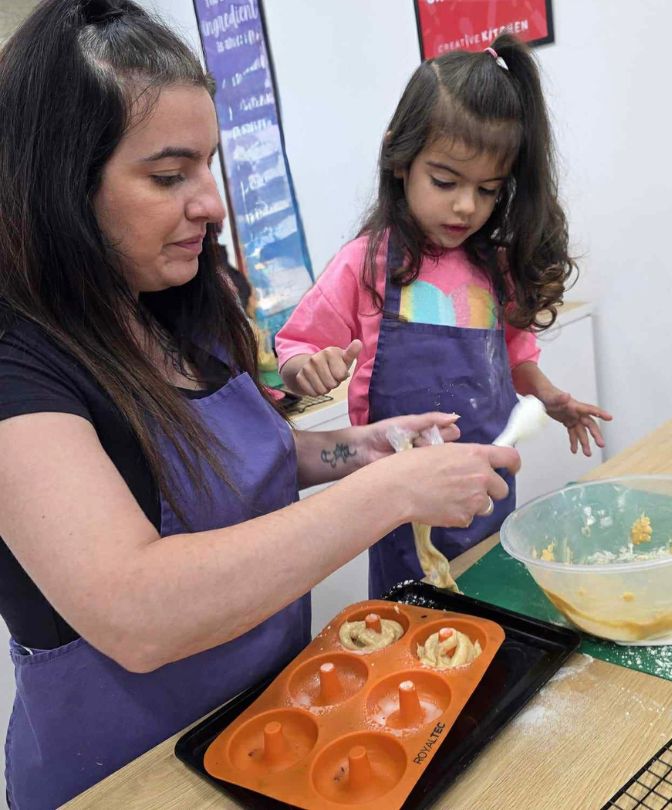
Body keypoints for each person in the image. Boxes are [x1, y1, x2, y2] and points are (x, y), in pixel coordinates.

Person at [0, 2, 519, 806]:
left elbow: (233, 459)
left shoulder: (178, 299)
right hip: (125, 777)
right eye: (170, 176)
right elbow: (136, 612)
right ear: (59, 183)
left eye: (209, 166)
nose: (210, 204)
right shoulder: (18, 362)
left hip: (266, 725)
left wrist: (361, 450)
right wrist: (390, 496)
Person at [276, 34, 612, 598]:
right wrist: (304, 368)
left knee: (493, 605)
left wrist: (551, 397)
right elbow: (295, 348)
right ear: (400, 159)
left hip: (487, 490)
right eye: (445, 181)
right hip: (398, 505)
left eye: (487, 190)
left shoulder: (495, 268)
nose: (465, 206)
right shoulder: (367, 262)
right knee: (418, 621)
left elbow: (514, 359)